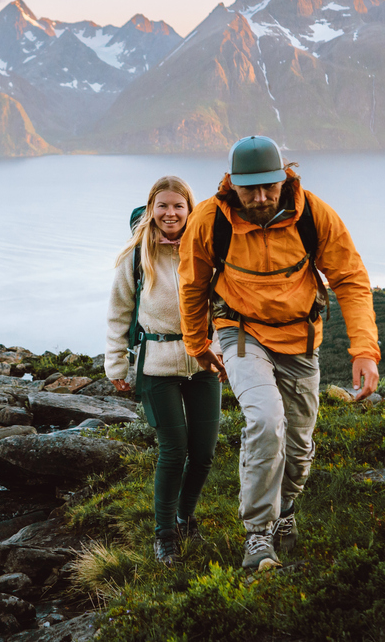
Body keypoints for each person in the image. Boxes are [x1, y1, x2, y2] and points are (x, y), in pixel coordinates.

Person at [178, 136, 380, 571]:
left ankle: (285, 511)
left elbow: (350, 278)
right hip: (241, 332)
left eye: (268, 186)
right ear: (233, 184)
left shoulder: (315, 215)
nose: (261, 197)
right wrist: (198, 344)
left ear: (284, 177)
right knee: (265, 420)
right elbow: (192, 283)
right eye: (250, 189)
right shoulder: (210, 219)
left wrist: (364, 350)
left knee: (299, 444)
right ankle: (258, 535)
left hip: (301, 340)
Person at [105, 175, 226, 567]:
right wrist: (116, 364)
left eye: (178, 206)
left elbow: (224, 308)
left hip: (203, 363)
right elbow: (119, 313)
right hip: (156, 367)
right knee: (174, 453)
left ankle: (184, 516)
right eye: (163, 206)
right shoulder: (135, 256)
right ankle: (165, 536)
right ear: (151, 209)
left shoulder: (205, 250)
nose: (170, 213)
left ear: (190, 210)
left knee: (204, 453)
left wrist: (224, 352)